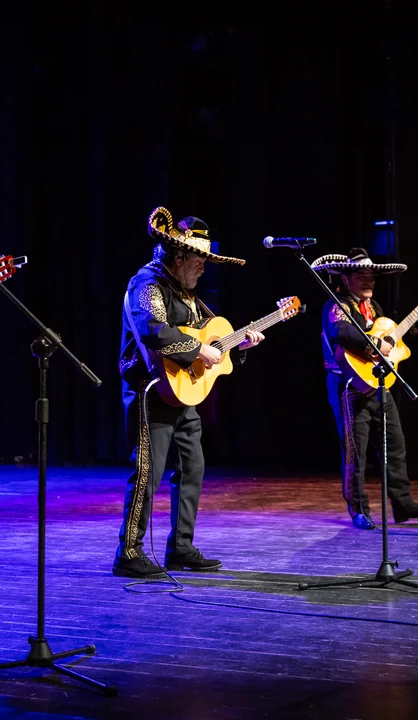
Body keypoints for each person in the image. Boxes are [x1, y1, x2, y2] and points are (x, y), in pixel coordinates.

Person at [114, 206, 264, 579]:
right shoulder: (146, 284)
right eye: (199, 259)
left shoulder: (189, 294)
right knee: (147, 472)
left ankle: (181, 548)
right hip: (153, 392)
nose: (203, 267)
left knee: (193, 467)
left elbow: (212, 336)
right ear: (179, 256)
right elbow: (153, 330)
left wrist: (237, 346)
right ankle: (129, 552)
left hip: (186, 394)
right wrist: (199, 350)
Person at [315, 247, 418, 529]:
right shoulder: (336, 306)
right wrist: (374, 346)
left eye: (371, 275)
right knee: (355, 452)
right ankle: (358, 509)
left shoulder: (376, 309)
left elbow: (393, 343)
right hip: (348, 385)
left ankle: (403, 504)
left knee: (394, 446)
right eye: (361, 275)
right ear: (345, 279)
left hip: (378, 384)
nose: (368, 280)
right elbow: (343, 334)